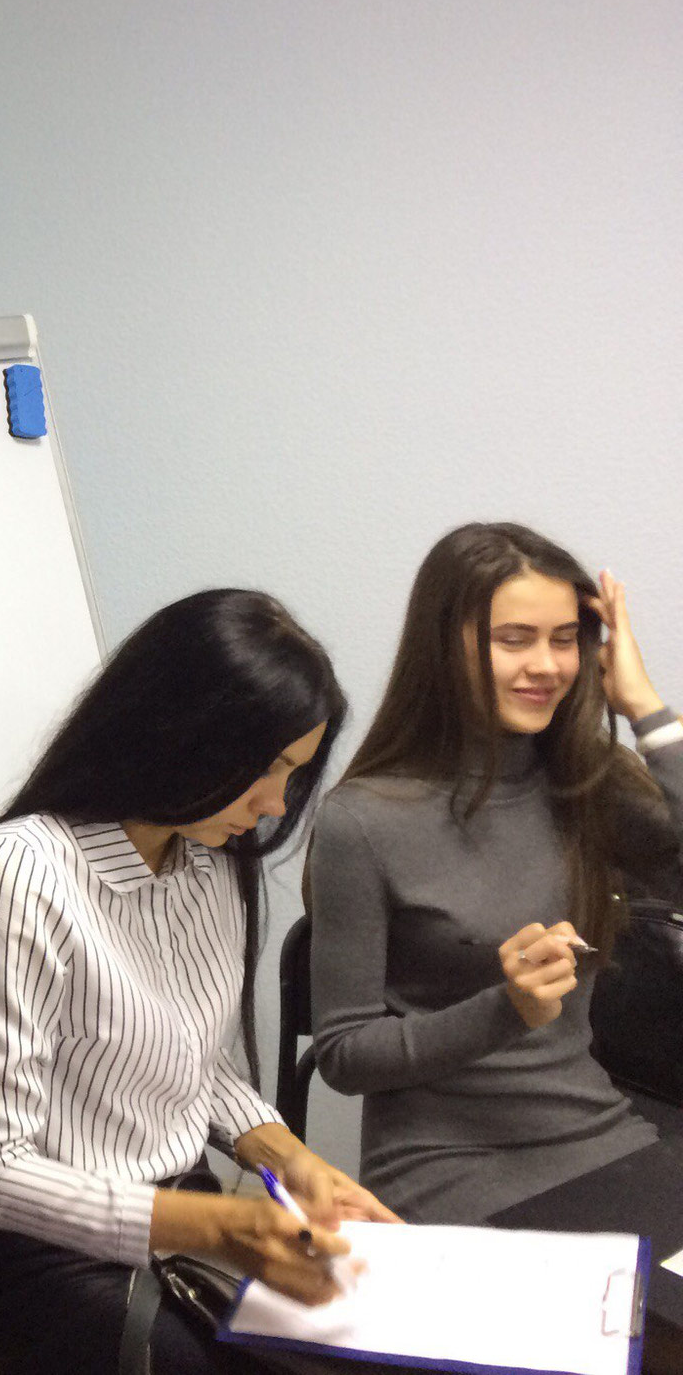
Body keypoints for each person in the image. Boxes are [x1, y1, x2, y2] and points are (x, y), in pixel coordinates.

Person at [0, 589, 395, 1375]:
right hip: (52, 1258)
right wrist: (220, 1228)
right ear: (180, 729)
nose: (275, 804)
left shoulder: (207, 860)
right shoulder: (20, 875)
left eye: (293, 773)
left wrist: (289, 1158)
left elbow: (191, 1060)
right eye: (267, 768)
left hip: (181, 1219)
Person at [307, 522, 682, 1224]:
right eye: (515, 639)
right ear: (444, 646)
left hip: (599, 1139)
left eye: (565, 639)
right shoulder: (363, 819)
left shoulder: (590, 781)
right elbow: (345, 1054)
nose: (547, 665)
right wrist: (506, 1009)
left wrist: (646, 711)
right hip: (445, 1168)